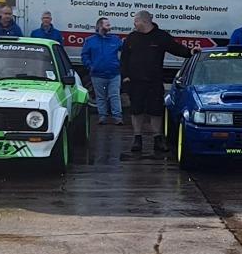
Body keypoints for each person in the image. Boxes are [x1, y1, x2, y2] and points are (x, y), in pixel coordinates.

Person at [120, 10, 195, 154]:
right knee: (136, 110)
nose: (134, 24)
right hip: (136, 82)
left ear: (144, 21)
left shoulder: (161, 36)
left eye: (136, 21)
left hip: (154, 81)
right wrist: (125, 77)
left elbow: (176, 48)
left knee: (156, 111)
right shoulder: (131, 38)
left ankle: (157, 139)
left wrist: (190, 52)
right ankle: (137, 138)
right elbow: (124, 59)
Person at [80, 17, 124, 125]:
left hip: (114, 74)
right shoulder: (90, 41)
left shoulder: (115, 39)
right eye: (107, 25)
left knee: (114, 95)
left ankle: (117, 117)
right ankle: (102, 116)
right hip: (97, 74)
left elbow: (126, 50)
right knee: (100, 97)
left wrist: (121, 64)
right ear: (100, 26)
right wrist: (90, 66)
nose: (109, 27)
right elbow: (85, 55)